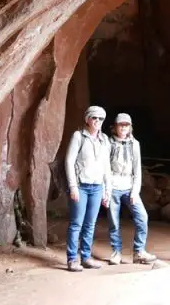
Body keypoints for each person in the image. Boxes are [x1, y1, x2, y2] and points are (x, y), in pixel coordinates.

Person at [106, 113, 158, 265]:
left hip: (129, 186)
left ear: (130, 127)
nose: (123, 127)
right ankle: (116, 252)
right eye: (120, 125)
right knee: (114, 221)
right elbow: (105, 168)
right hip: (113, 186)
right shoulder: (108, 143)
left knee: (142, 217)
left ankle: (139, 251)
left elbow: (137, 169)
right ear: (115, 127)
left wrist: (135, 191)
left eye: (126, 125)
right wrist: (107, 189)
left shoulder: (135, 144)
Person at [64, 105, 111, 272]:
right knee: (76, 223)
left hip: (97, 186)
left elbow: (106, 166)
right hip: (81, 186)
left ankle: (86, 257)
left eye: (100, 118)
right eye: (94, 118)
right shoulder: (79, 136)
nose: (97, 121)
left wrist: (107, 190)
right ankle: (72, 259)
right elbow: (69, 161)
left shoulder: (104, 139)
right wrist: (73, 186)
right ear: (87, 119)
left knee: (90, 224)